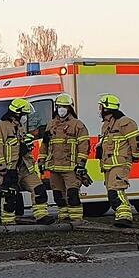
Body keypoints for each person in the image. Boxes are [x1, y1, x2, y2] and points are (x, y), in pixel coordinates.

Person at [0, 98, 53, 225]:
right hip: (10, 169)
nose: (25, 117)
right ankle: (8, 222)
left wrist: (26, 146)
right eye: (24, 114)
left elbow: (19, 146)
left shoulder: (19, 126)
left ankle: (41, 216)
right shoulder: (1, 126)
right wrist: (2, 168)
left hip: (25, 168)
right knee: (9, 195)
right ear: (17, 113)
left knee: (39, 189)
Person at [39, 93, 90, 222]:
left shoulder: (78, 125)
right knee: (58, 196)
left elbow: (84, 146)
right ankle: (64, 219)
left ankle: (76, 220)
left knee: (72, 195)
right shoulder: (51, 125)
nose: (61, 109)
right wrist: (41, 161)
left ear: (69, 108)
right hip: (54, 167)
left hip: (70, 167)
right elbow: (45, 145)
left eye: (64, 106)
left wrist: (81, 164)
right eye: (59, 106)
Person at [96, 94, 139, 228]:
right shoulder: (106, 125)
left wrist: (135, 156)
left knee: (116, 191)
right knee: (112, 193)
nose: (99, 110)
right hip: (108, 165)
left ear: (107, 108)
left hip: (120, 164)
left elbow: (137, 141)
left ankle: (125, 217)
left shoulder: (125, 122)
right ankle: (121, 216)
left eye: (101, 107)